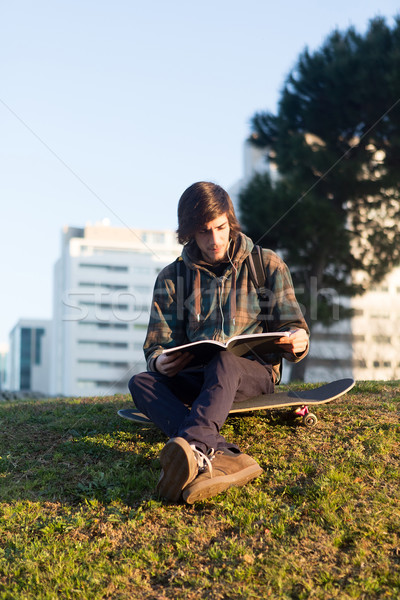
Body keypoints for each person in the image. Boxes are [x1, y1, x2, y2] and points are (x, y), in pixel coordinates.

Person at [129, 181, 309, 504]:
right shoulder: (172, 279)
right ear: (188, 234)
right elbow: (155, 347)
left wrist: (299, 340)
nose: (215, 240)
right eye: (204, 232)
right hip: (199, 379)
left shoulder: (265, 265)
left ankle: (195, 449)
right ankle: (223, 455)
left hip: (252, 375)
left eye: (221, 228)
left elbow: (295, 327)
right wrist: (159, 362)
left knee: (224, 360)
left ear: (230, 221)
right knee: (140, 382)